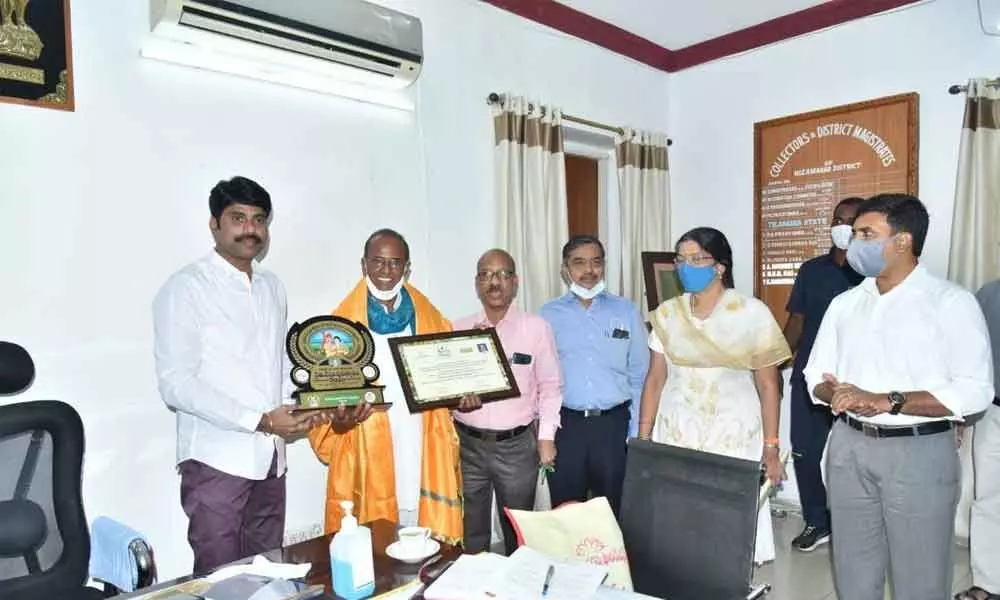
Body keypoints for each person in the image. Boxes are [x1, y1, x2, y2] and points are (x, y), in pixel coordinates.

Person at [152, 176, 356, 573]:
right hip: (217, 460)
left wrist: (297, 410)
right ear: (215, 224)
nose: (250, 229)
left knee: (266, 570)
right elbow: (176, 383)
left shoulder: (270, 285)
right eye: (238, 218)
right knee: (221, 576)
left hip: (270, 460)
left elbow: (278, 362)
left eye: (259, 219)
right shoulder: (186, 288)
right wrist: (261, 420)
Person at [804, 193, 994, 600]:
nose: (852, 241)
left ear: (903, 241)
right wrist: (834, 392)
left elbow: (975, 390)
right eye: (853, 233)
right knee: (853, 568)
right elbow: (813, 375)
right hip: (849, 447)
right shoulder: (845, 304)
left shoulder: (950, 303)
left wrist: (887, 400)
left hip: (918, 451)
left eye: (865, 233)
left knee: (920, 575)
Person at [307, 228, 477, 545]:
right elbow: (325, 400)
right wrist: (339, 423)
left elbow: (445, 379)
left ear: (407, 267)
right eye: (378, 262)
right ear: (364, 264)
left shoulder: (429, 317)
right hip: (367, 441)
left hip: (420, 435)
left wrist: (458, 397)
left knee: (423, 533)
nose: (386, 272)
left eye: (395, 263)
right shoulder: (339, 324)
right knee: (375, 543)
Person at [637, 227, 789, 565]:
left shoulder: (751, 313)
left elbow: (768, 386)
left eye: (696, 259)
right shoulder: (667, 314)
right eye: (680, 260)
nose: (685, 267)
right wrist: (644, 439)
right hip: (678, 430)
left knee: (726, 523)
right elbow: (655, 379)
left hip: (731, 434)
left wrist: (771, 447)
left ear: (719, 266)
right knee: (679, 519)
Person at [453, 249, 563, 554]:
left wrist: (546, 439)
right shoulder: (457, 329)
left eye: (503, 274)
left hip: (516, 447)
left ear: (515, 282)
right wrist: (455, 402)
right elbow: (445, 390)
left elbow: (551, 387)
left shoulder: (536, 328)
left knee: (518, 528)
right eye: (486, 274)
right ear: (477, 283)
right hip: (467, 445)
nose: (494, 282)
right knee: (471, 530)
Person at [539, 235, 649, 517]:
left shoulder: (626, 311)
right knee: (566, 512)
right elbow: (538, 378)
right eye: (579, 263)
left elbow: (640, 374)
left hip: (613, 426)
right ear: (565, 270)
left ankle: (612, 562)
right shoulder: (547, 315)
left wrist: (636, 432)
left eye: (596, 262)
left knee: (614, 510)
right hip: (566, 427)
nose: (589, 270)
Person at [782, 196, 864, 552]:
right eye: (838, 219)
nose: (843, 226)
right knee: (804, 453)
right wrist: (776, 361)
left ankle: (858, 526)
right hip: (810, 380)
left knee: (858, 460)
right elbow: (796, 322)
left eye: (852, 220)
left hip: (857, 385)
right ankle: (817, 520)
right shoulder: (811, 270)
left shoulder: (873, 274)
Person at [954, 280, 1000, 600]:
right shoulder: (990, 293)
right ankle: (990, 583)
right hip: (994, 413)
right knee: (989, 499)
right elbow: (971, 358)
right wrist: (963, 416)